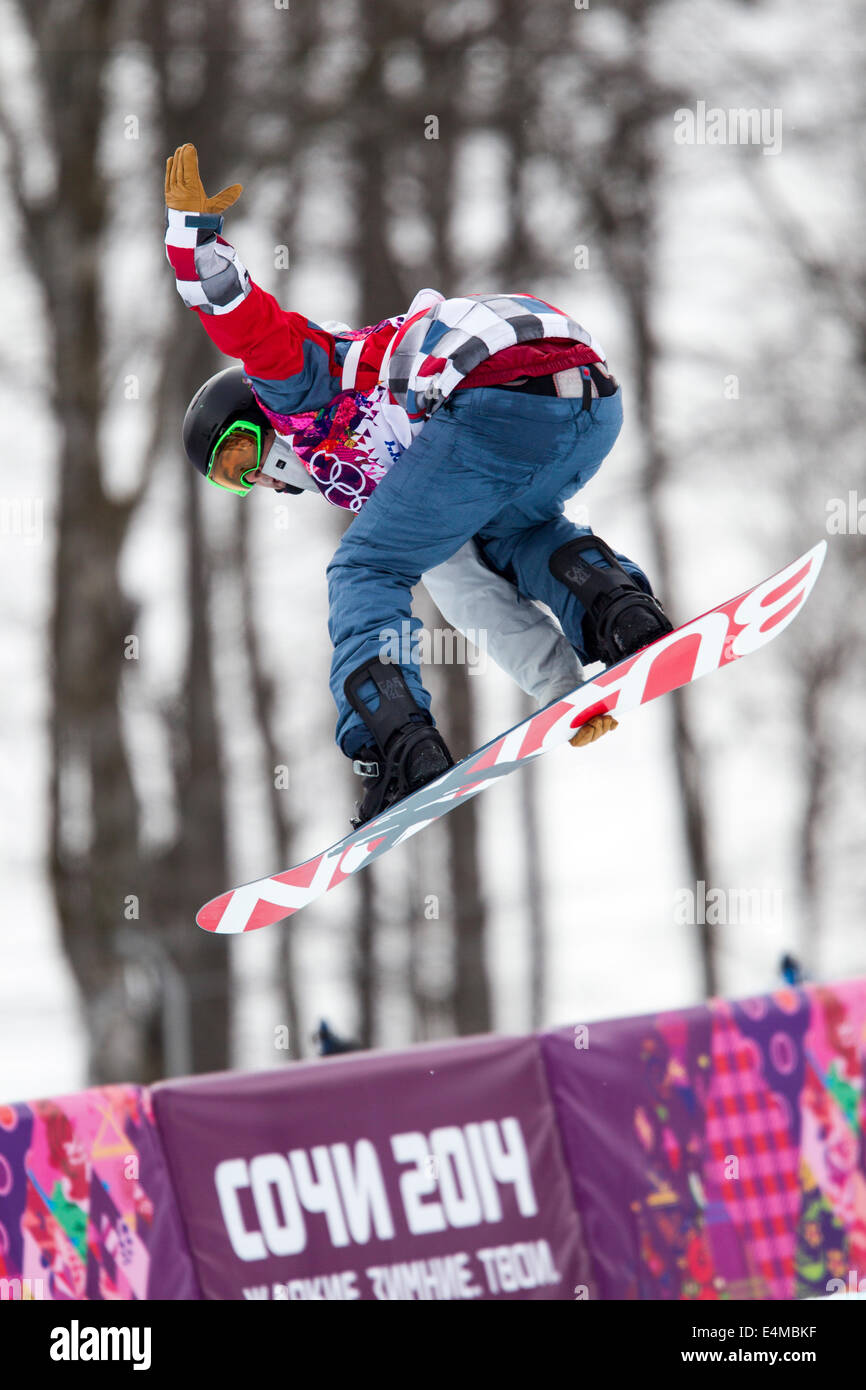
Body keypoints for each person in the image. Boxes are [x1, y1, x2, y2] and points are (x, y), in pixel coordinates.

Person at [167, 144, 671, 824]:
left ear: (258, 411)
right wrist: (564, 691)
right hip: (587, 395)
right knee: (508, 534)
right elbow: (469, 595)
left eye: (240, 450)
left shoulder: (300, 384)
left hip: (492, 386)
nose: (256, 473)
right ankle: (616, 610)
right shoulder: (415, 486)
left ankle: (395, 741)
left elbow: (254, 330)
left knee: (364, 567)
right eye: (234, 479)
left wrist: (194, 248)